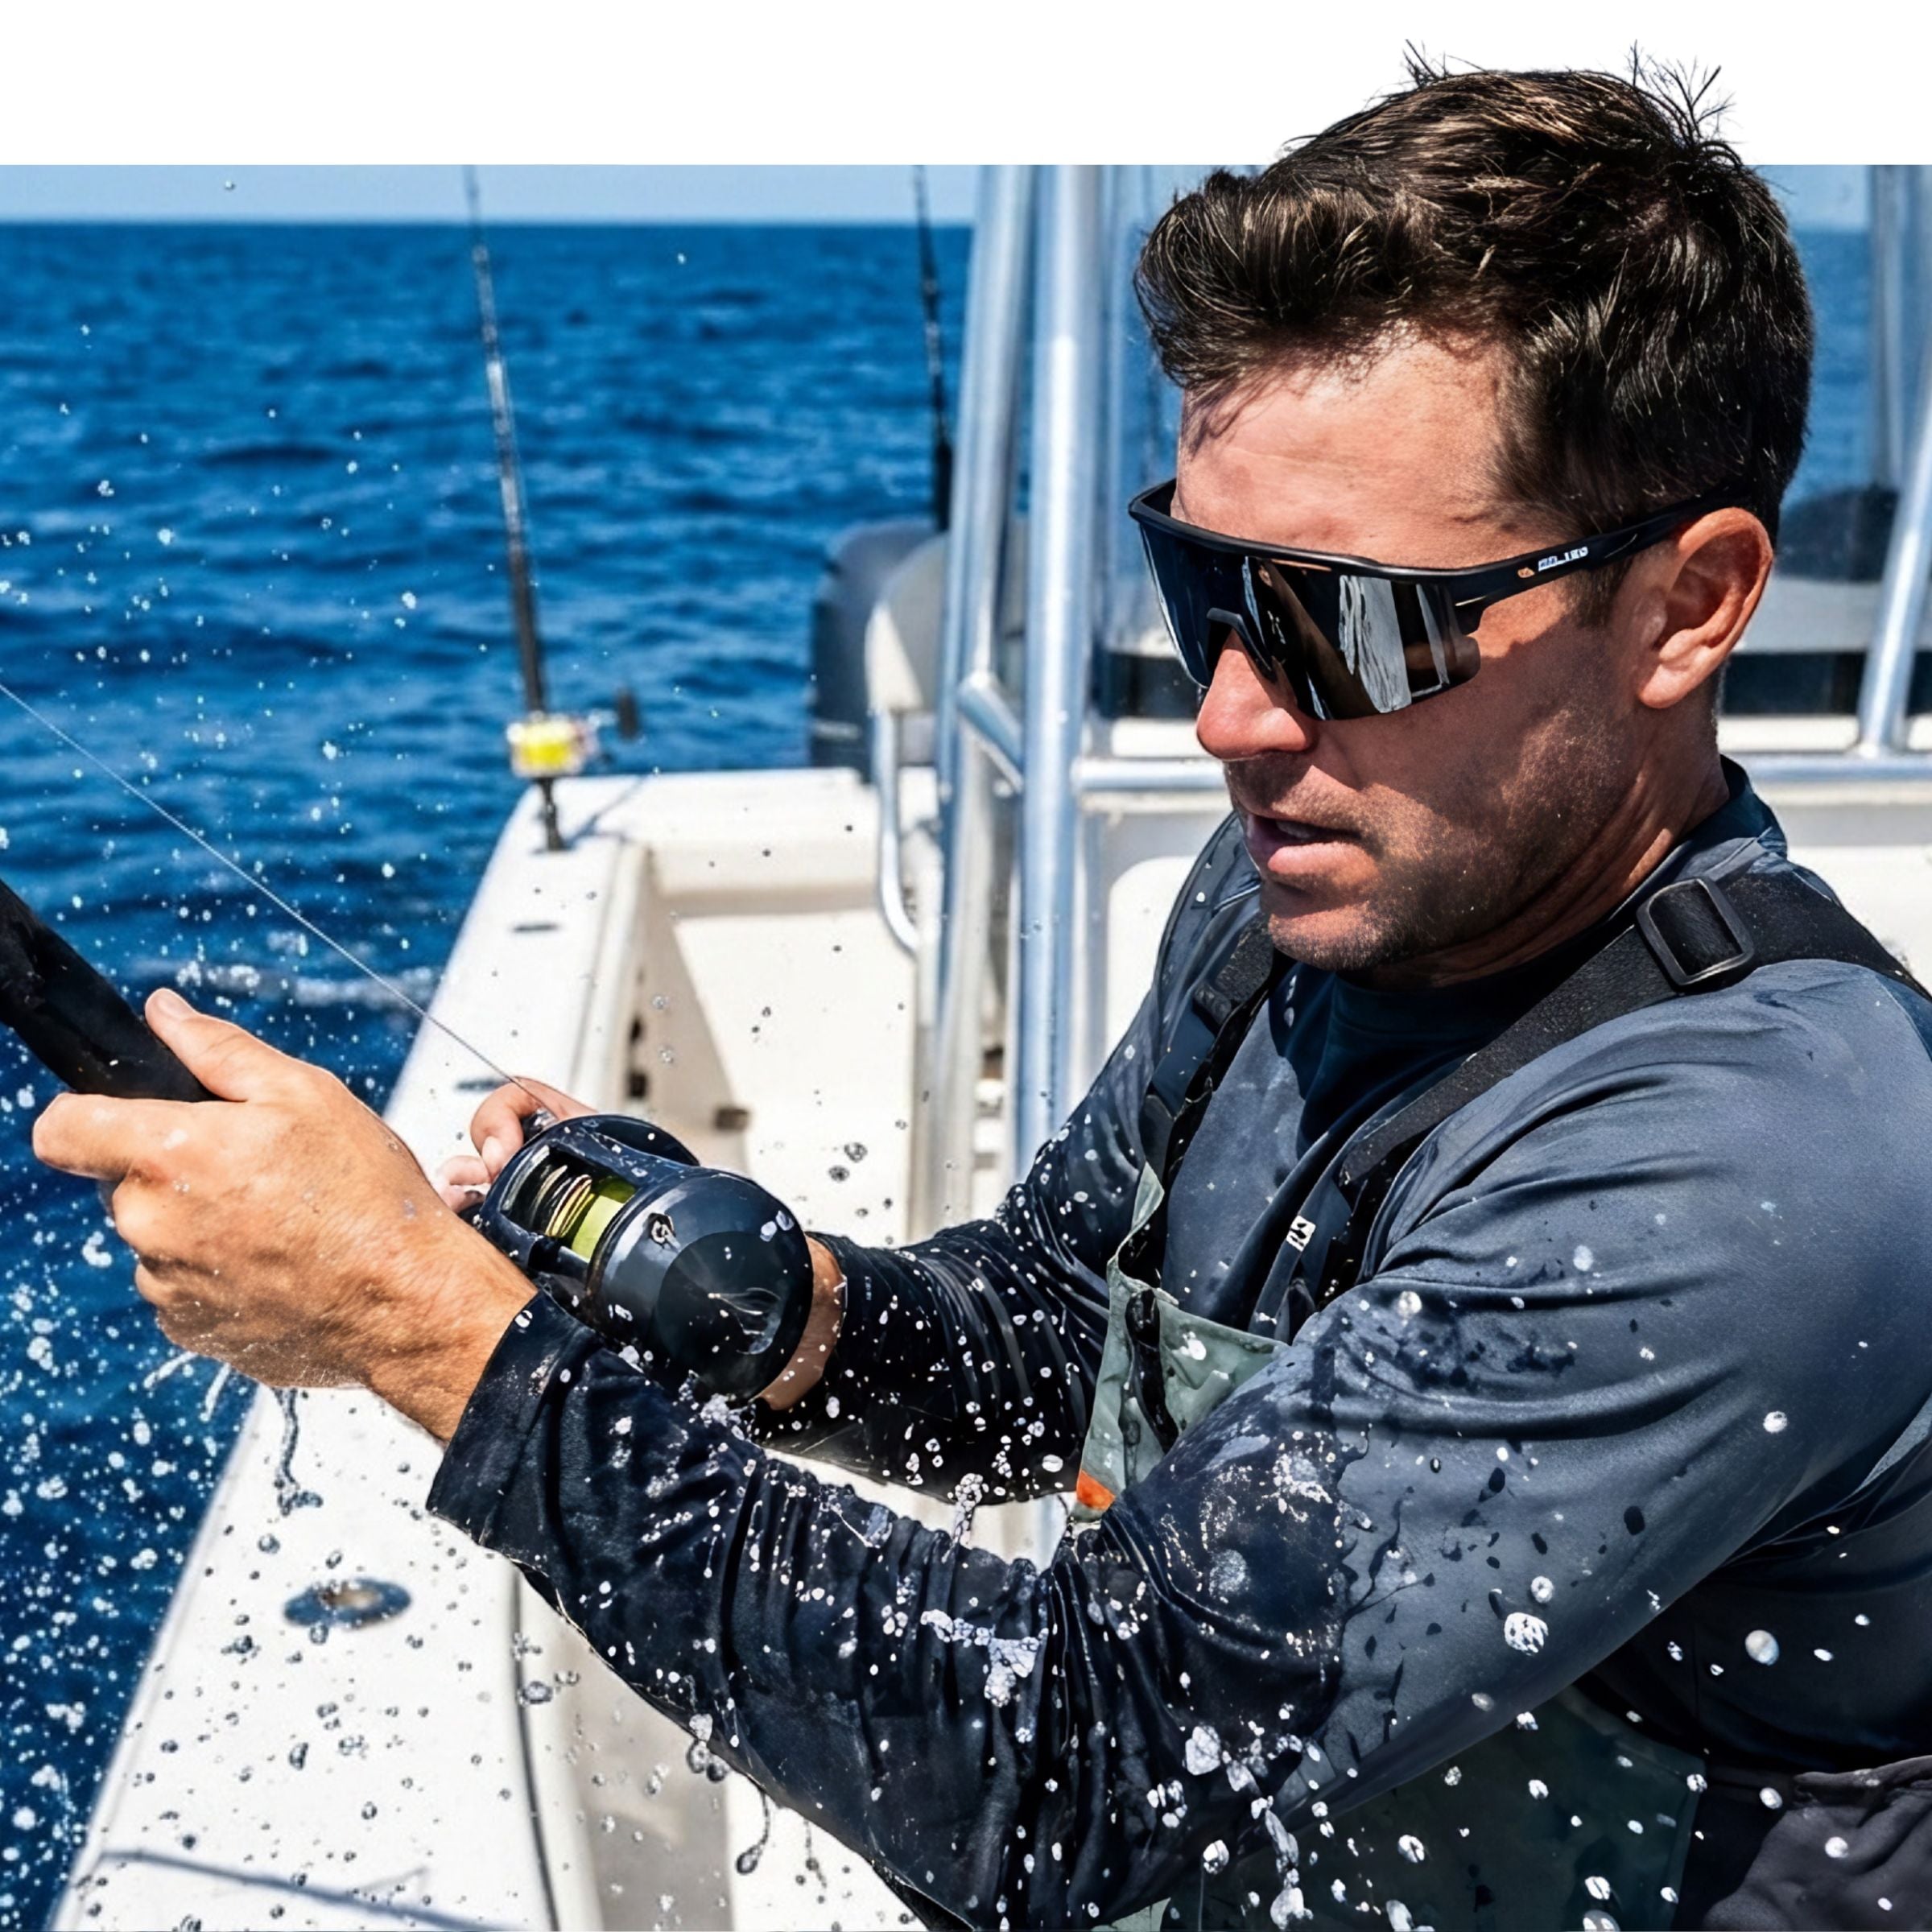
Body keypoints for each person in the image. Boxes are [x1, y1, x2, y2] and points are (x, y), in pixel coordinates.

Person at [37, 61, 1932, 1932]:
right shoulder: (1319, 877)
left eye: (1354, 626)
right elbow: (1040, 1345)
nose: (1232, 718)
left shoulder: (1751, 1163)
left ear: (1691, 604)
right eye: (1206, 590)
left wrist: (410, 1320)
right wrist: (756, 1299)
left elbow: (1093, 1769)